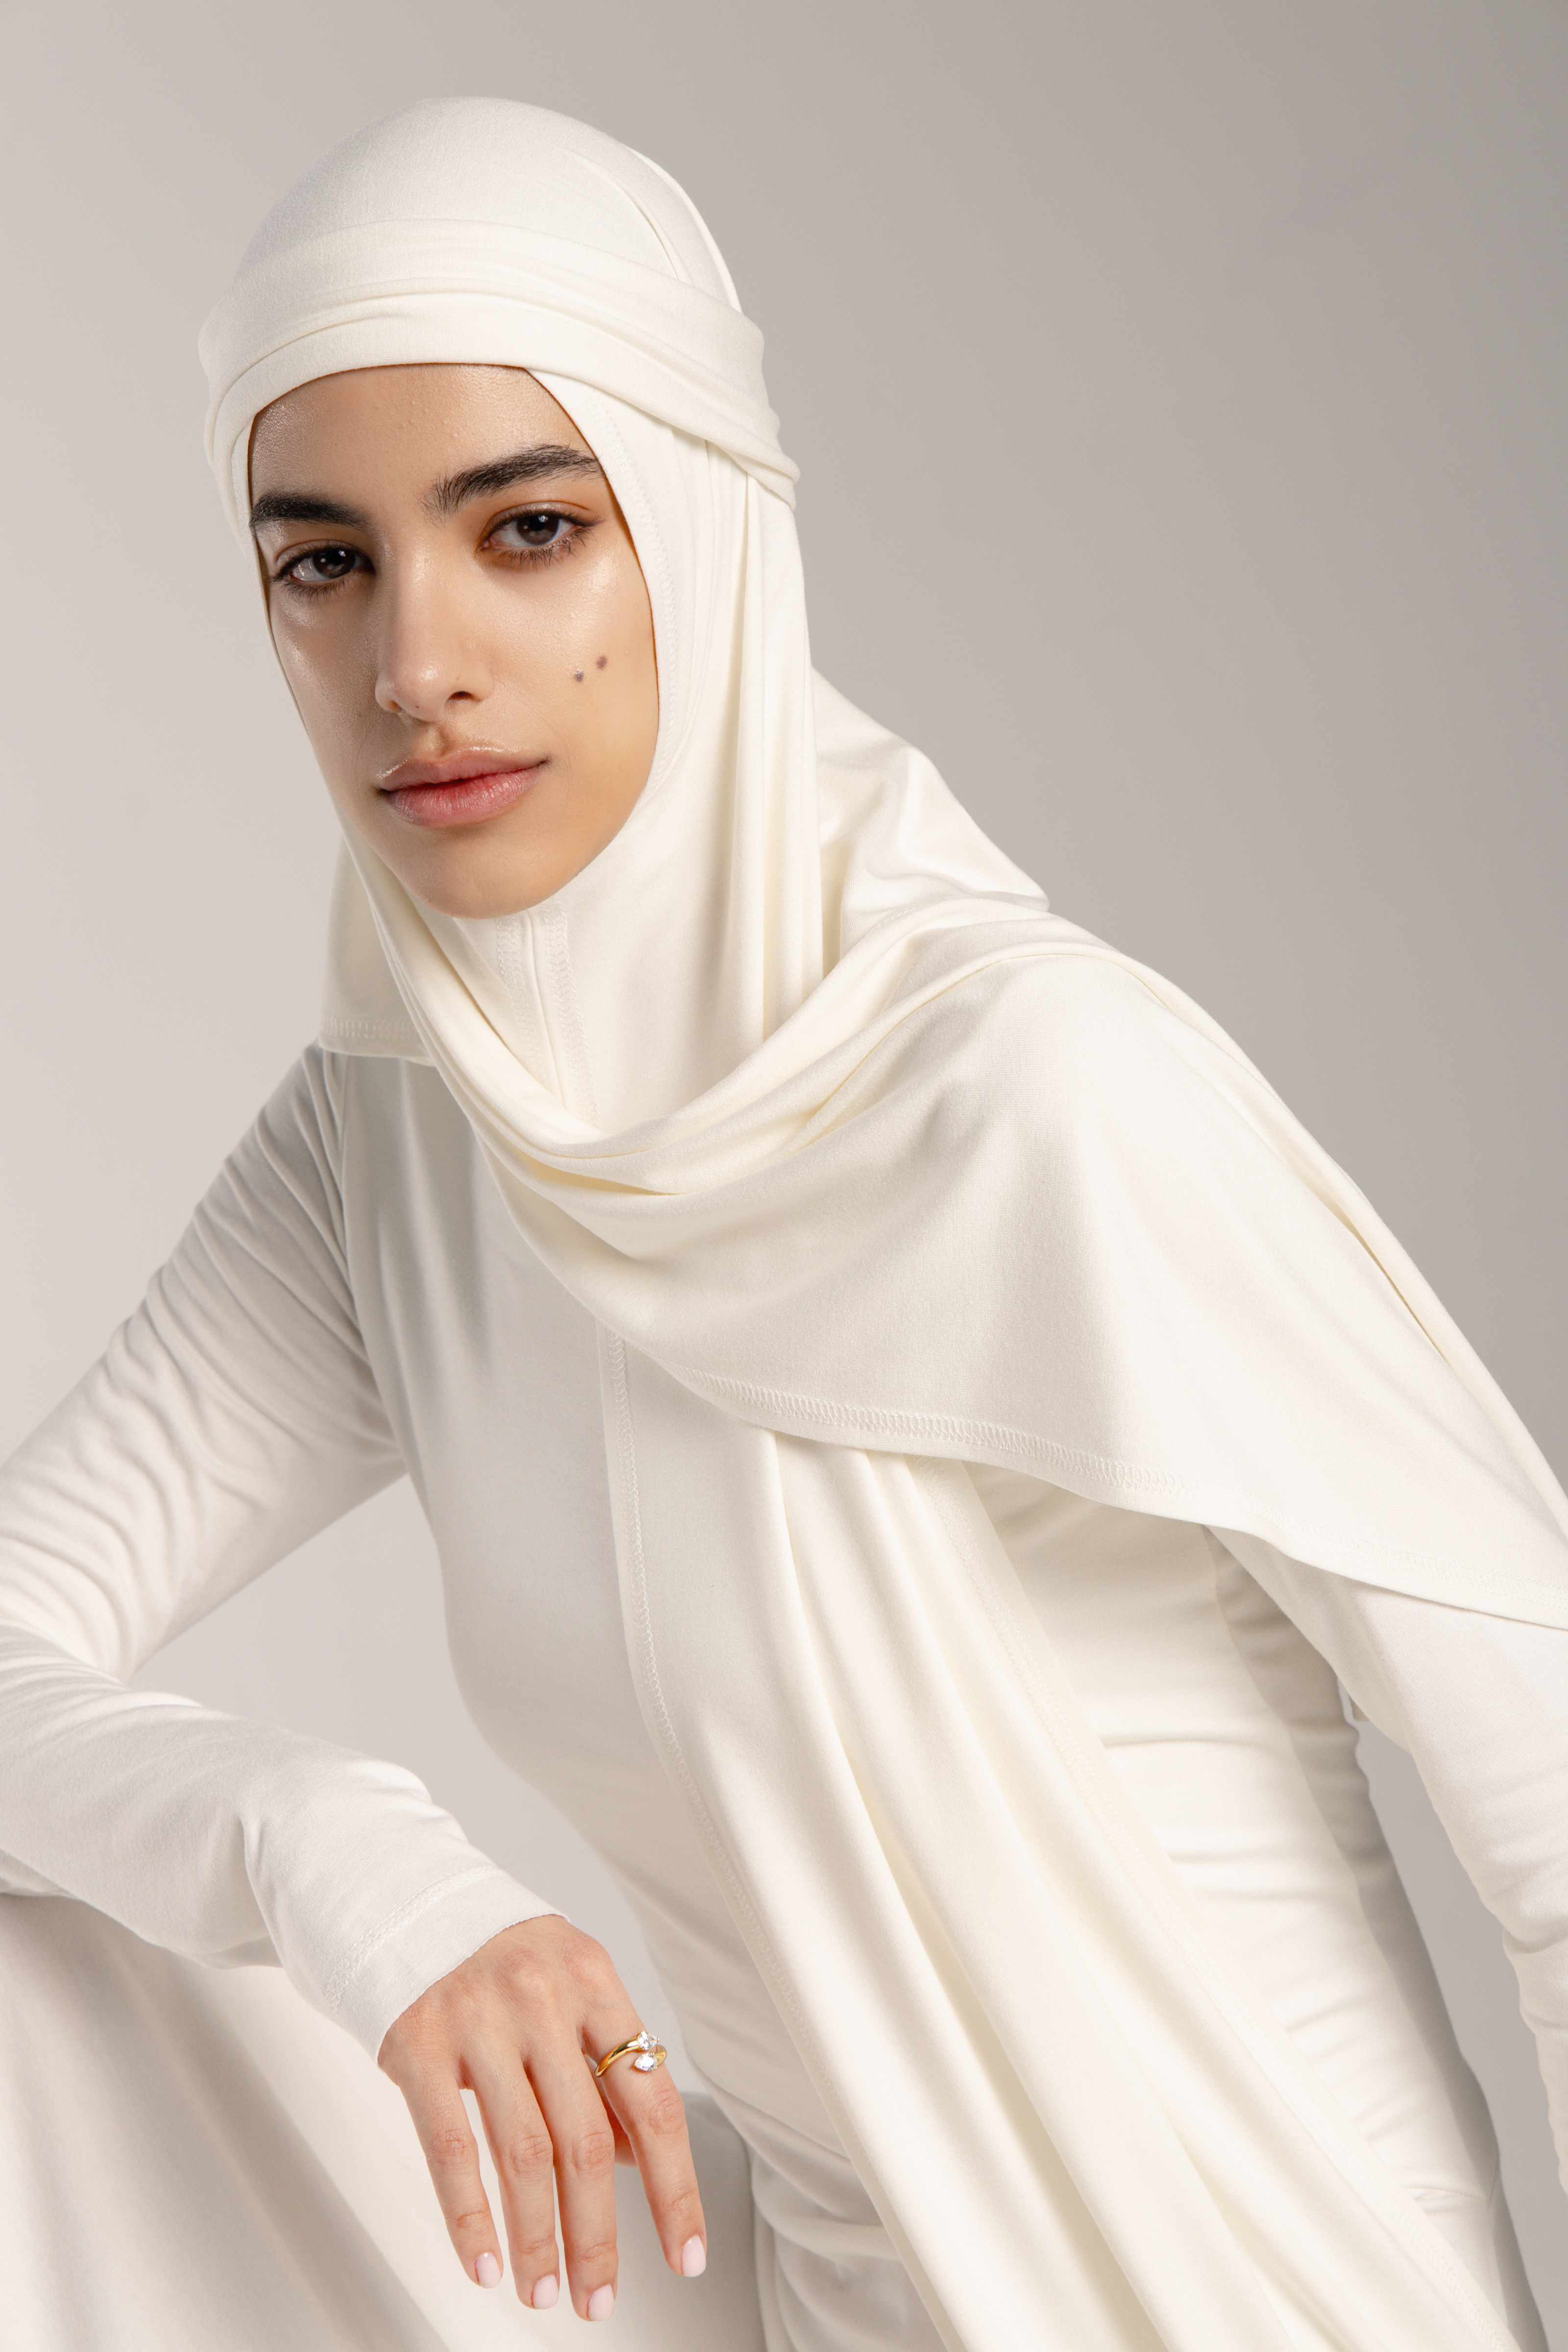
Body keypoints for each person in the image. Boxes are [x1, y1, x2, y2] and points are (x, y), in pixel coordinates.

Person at [0, 93, 1564, 2352]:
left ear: (703, 530)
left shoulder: (1033, 1090)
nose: (414, 662)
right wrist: (337, 1857)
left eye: (529, 531)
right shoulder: (397, 1150)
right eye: (321, 562)